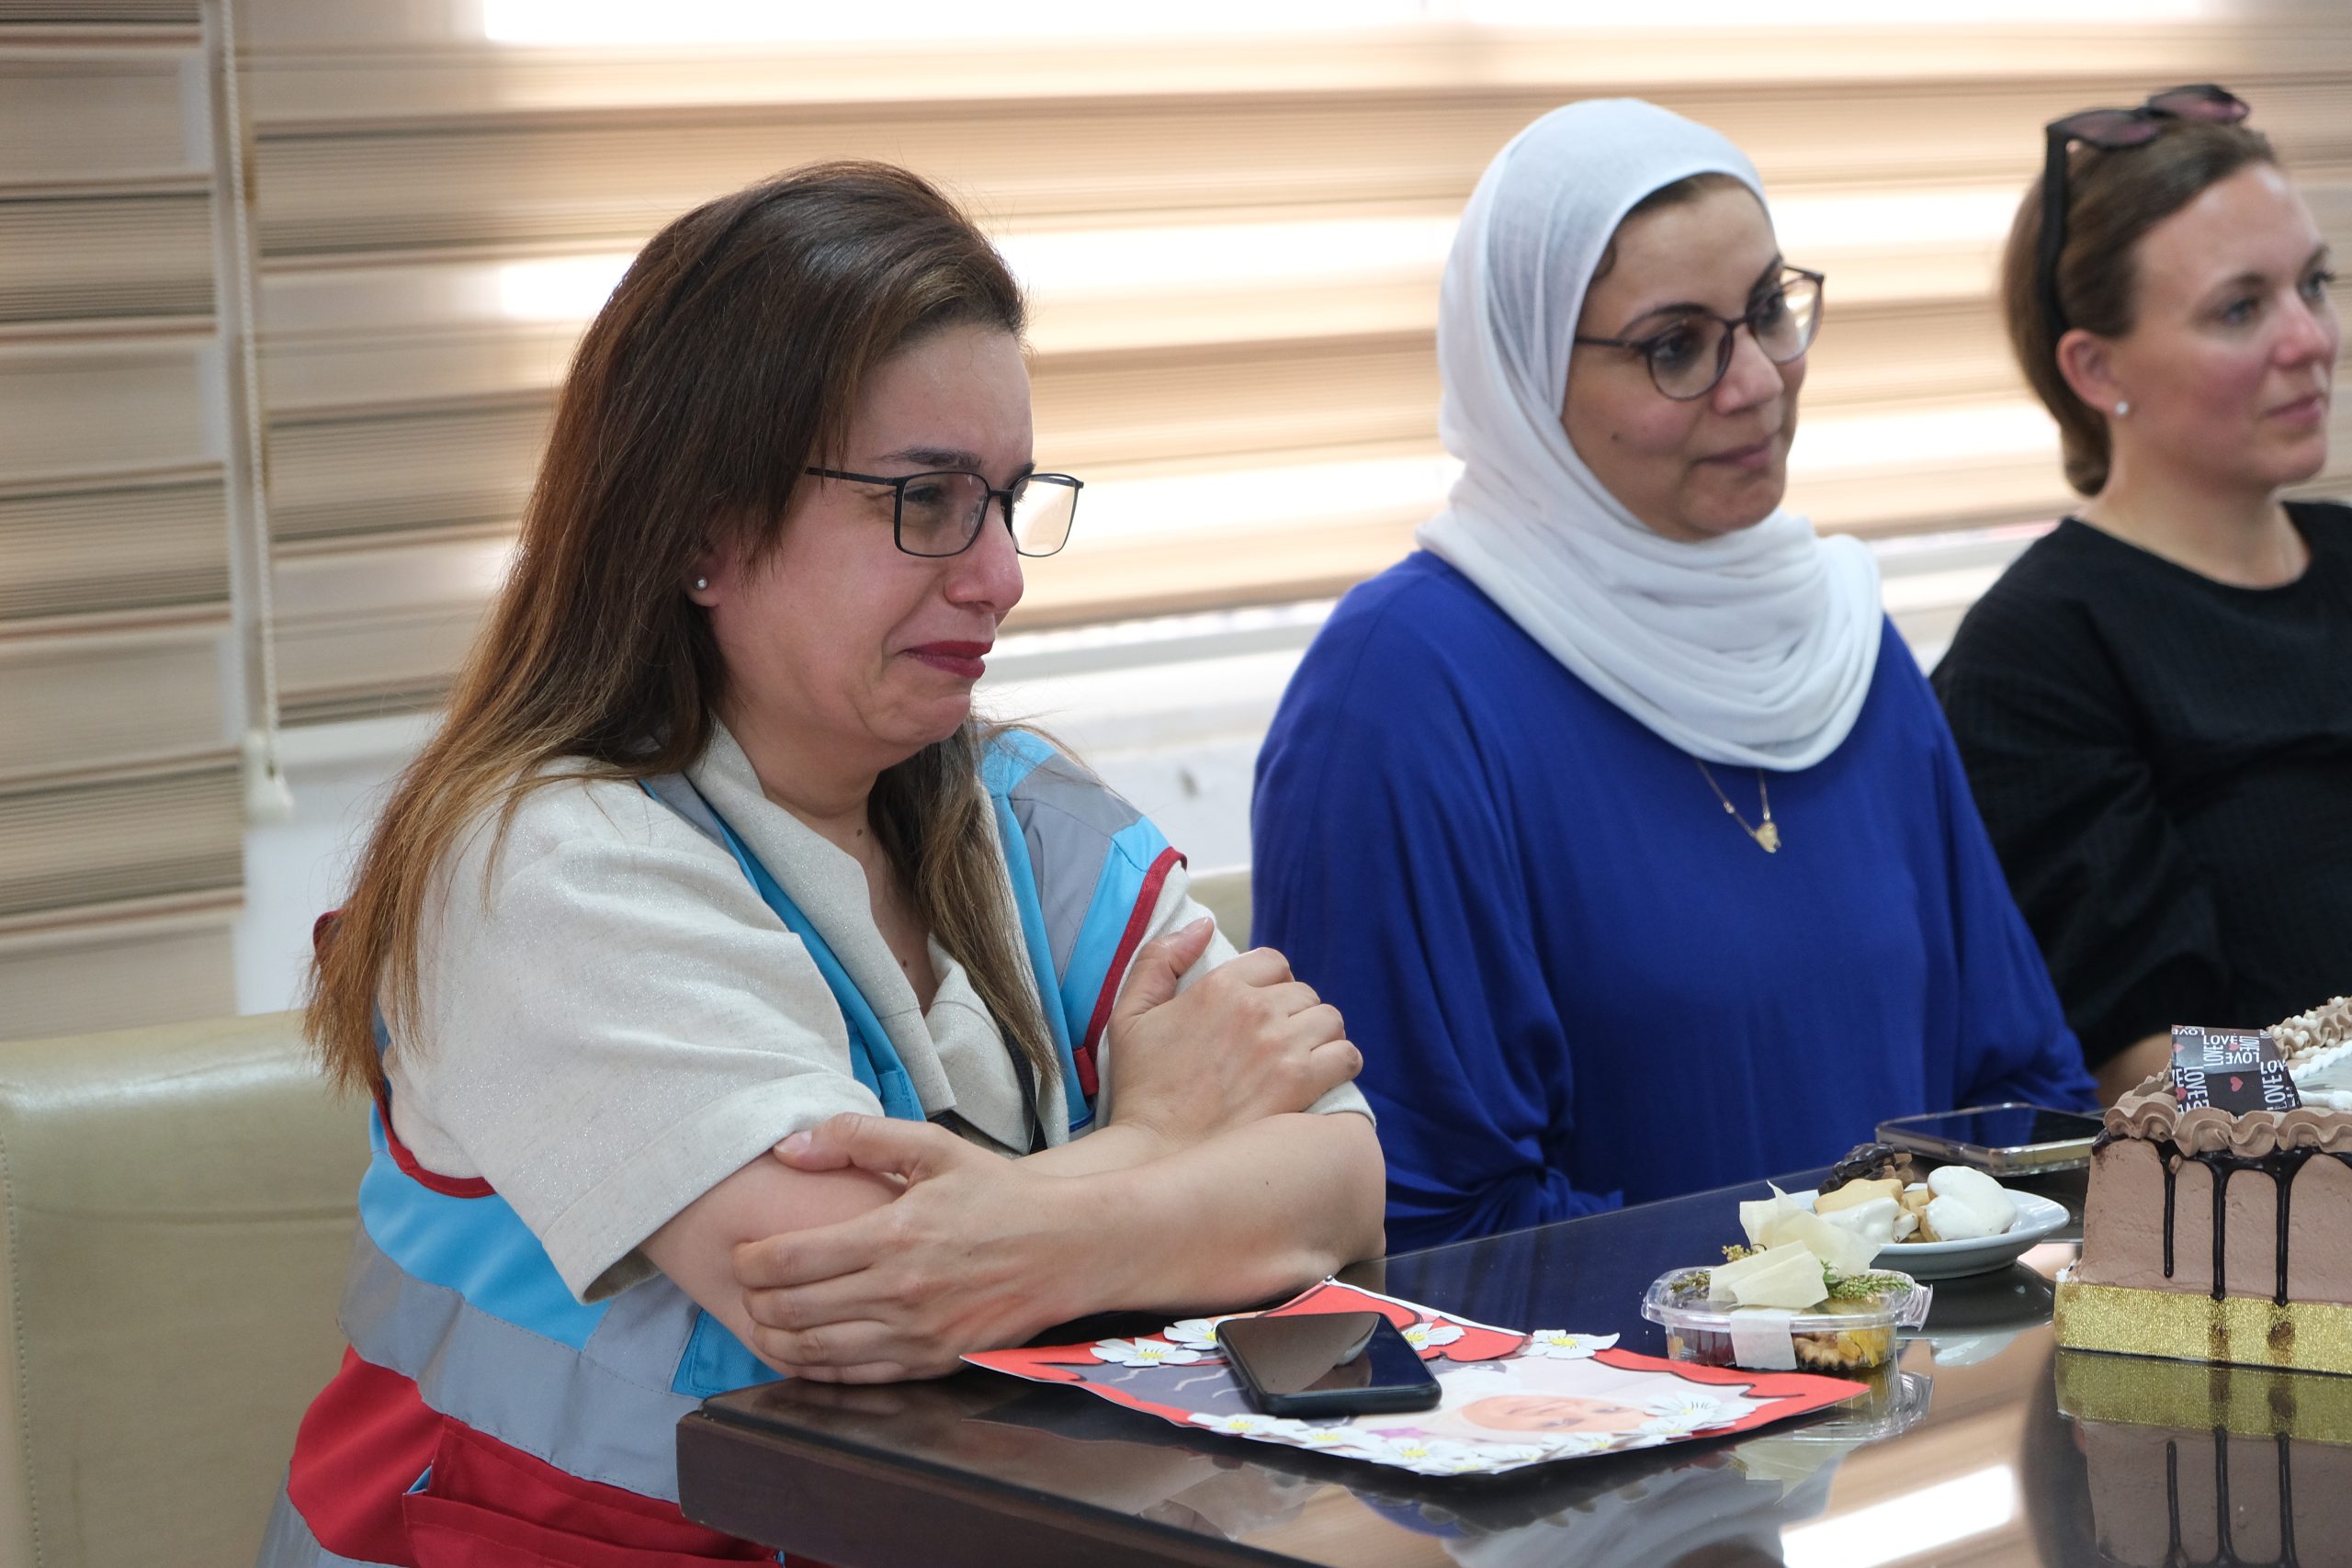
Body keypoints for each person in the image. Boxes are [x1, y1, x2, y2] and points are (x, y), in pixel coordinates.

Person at [258, 163, 1383, 1566]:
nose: (999, 574)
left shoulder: (1026, 806)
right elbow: (853, 1295)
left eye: (1008, 499)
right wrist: (1162, 1143)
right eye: (925, 499)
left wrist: (1050, 1221)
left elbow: (1340, 1174)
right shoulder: (537, 863)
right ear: (701, 530)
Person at [1250, 99, 2093, 1253]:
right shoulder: (1400, 694)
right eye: (1675, 346)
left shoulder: (1837, 641)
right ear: (1526, 376)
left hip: (1926, 1361)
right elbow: (1427, 1223)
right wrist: (1810, 1300)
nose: (1755, 382)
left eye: (1766, 312)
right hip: (1617, 1370)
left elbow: (2024, 1094)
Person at [1932, 85, 2351, 1104]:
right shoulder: (2037, 656)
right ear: (2094, 368)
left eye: (2313, 283)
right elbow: (2141, 1067)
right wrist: (2332, 1102)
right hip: (2265, 1195)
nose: (2309, 338)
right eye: (2240, 308)